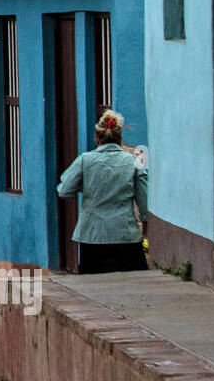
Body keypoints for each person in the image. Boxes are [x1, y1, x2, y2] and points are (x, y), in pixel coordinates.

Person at [56, 109, 148, 274]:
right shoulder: (133, 162)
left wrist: (84, 187)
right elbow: (144, 200)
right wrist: (145, 221)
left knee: (94, 286)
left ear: (97, 139)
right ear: (119, 138)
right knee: (133, 286)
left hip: (92, 236)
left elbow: (64, 191)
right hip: (125, 235)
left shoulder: (85, 160)